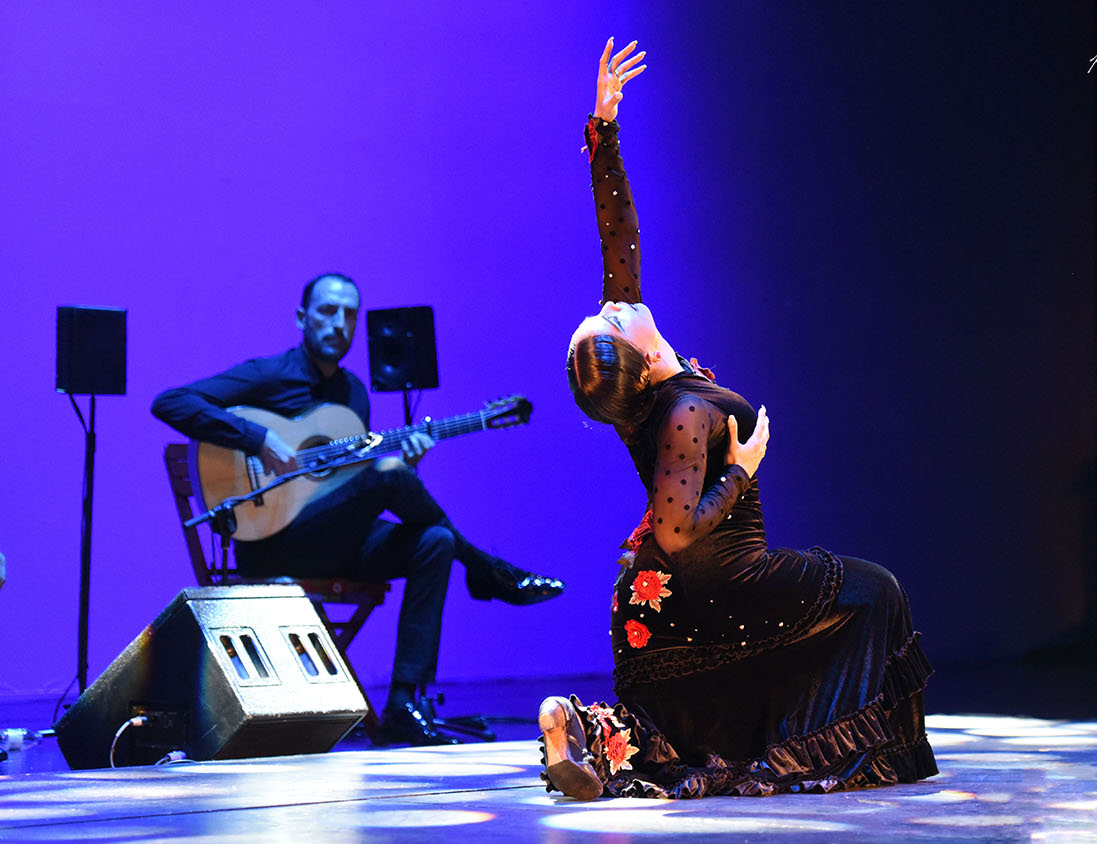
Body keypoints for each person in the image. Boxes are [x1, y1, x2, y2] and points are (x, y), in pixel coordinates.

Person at [537, 40, 938, 799]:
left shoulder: (645, 391)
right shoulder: (685, 409)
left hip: (673, 590)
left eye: (606, 311)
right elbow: (678, 529)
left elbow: (618, 242)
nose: (614, 302)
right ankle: (856, 758)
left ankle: (583, 731)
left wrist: (604, 132)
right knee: (875, 591)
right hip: (721, 575)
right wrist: (742, 473)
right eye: (611, 320)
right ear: (644, 360)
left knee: (703, 724)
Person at [152, 273, 564, 745]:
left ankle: (403, 705)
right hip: (271, 543)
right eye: (328, 311)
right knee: (389, 477)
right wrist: (258, 437)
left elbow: (347, 490)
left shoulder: (354, 395)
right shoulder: (270, 376)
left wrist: (399, 465)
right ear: (301, 317)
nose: (340, 323)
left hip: (334, 541)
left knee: (435, 540)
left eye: (350, 314)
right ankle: (488, 570)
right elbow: (171, 403)